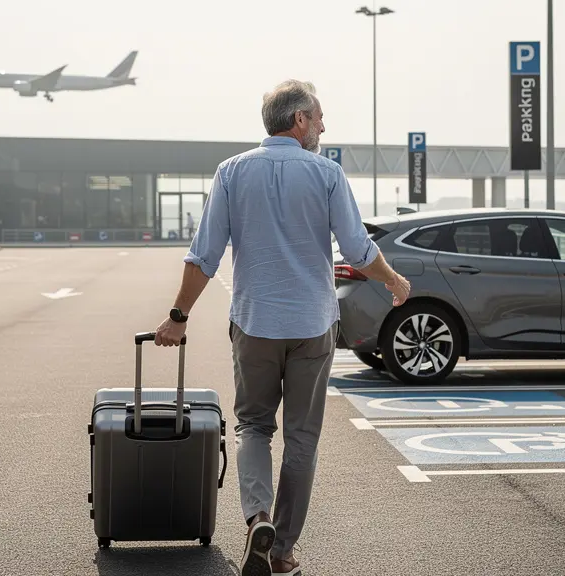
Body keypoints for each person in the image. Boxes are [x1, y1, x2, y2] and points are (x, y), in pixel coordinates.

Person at [153, 79, 410, 576]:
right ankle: (282, 550)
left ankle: (258, 518)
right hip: (312, 325)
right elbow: (358, 251)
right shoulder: (328, 174)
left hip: (255, 323)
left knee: (253, 426)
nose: (323, 125)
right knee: (302, 438)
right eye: (318, 117)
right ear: (298, 121)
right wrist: (395, 281)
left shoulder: (231, 172)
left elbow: (204, 256)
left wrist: (178, 317)